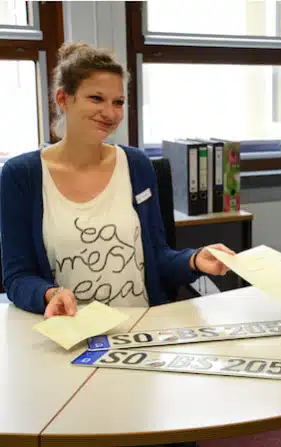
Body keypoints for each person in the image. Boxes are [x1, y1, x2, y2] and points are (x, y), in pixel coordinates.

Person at [0, 42, 235, 321]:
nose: (111, 114)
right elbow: (17, 278)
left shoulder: (136, 165)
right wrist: (48, 294)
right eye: (96, 99)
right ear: (63, 99)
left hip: (141, 330)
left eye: (118, 102)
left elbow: (156, 256)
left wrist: (194, 259)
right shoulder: (21, 175)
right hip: (72, 333)